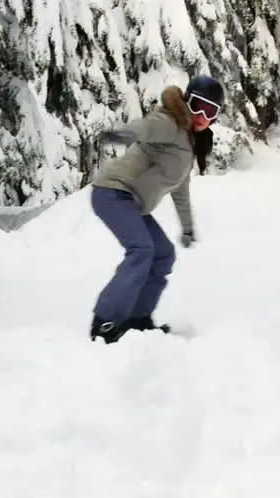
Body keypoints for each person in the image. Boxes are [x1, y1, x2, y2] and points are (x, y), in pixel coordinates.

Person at [88, 75, 225, 344]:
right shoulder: (171, 123)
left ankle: (138, 319)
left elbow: (181, 191)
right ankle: (105, 321)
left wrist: (187, 228)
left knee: (163, 254)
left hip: (131, 202)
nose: (201, 115)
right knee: (142, 250)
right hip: (112, 193)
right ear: (186, 101)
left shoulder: (187, 146)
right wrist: (125, 133)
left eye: (210, 111)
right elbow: (149, 127)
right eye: (197, 105)